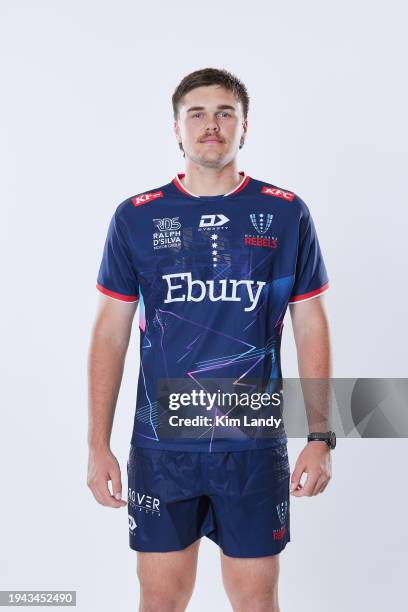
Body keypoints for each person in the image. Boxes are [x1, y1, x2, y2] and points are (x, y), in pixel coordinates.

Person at [87, 67, 334, 612]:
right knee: (160, 599)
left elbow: (310, 320)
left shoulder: (284, 212)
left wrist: (321, 435)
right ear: (175, 129)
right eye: (196, 113)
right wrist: (97, 444)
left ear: (245, 128)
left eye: (225, 113)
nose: (211, 125)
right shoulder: (135, 218)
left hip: (250, 444)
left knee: (255, 599)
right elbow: (110, 333)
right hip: (161, 448)